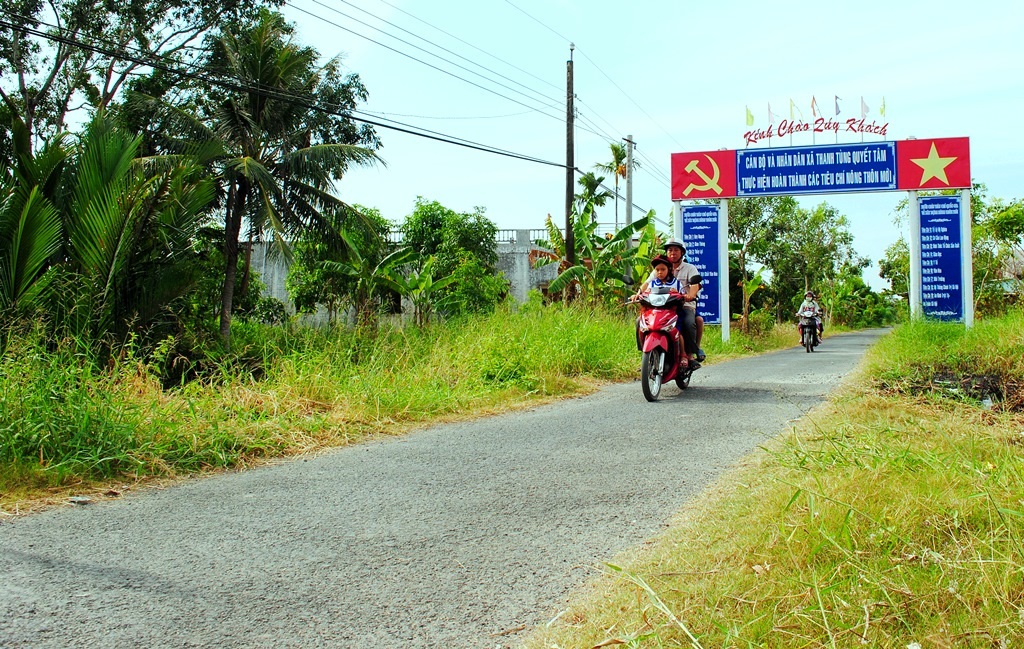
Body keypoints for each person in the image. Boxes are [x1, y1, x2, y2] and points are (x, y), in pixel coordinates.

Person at [644, 238, 703, 366]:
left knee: (688, 322)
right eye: (670, 250)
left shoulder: (690, 268)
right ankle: (645, 356)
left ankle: (689, 354)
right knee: (641, 323)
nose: (672, 253)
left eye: (676, 250)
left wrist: (690, 295)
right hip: (660, 305)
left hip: (683, 304)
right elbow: (647, 284)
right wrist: (637, 294)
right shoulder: (660, 268)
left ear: (682, 253)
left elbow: (695, 285)